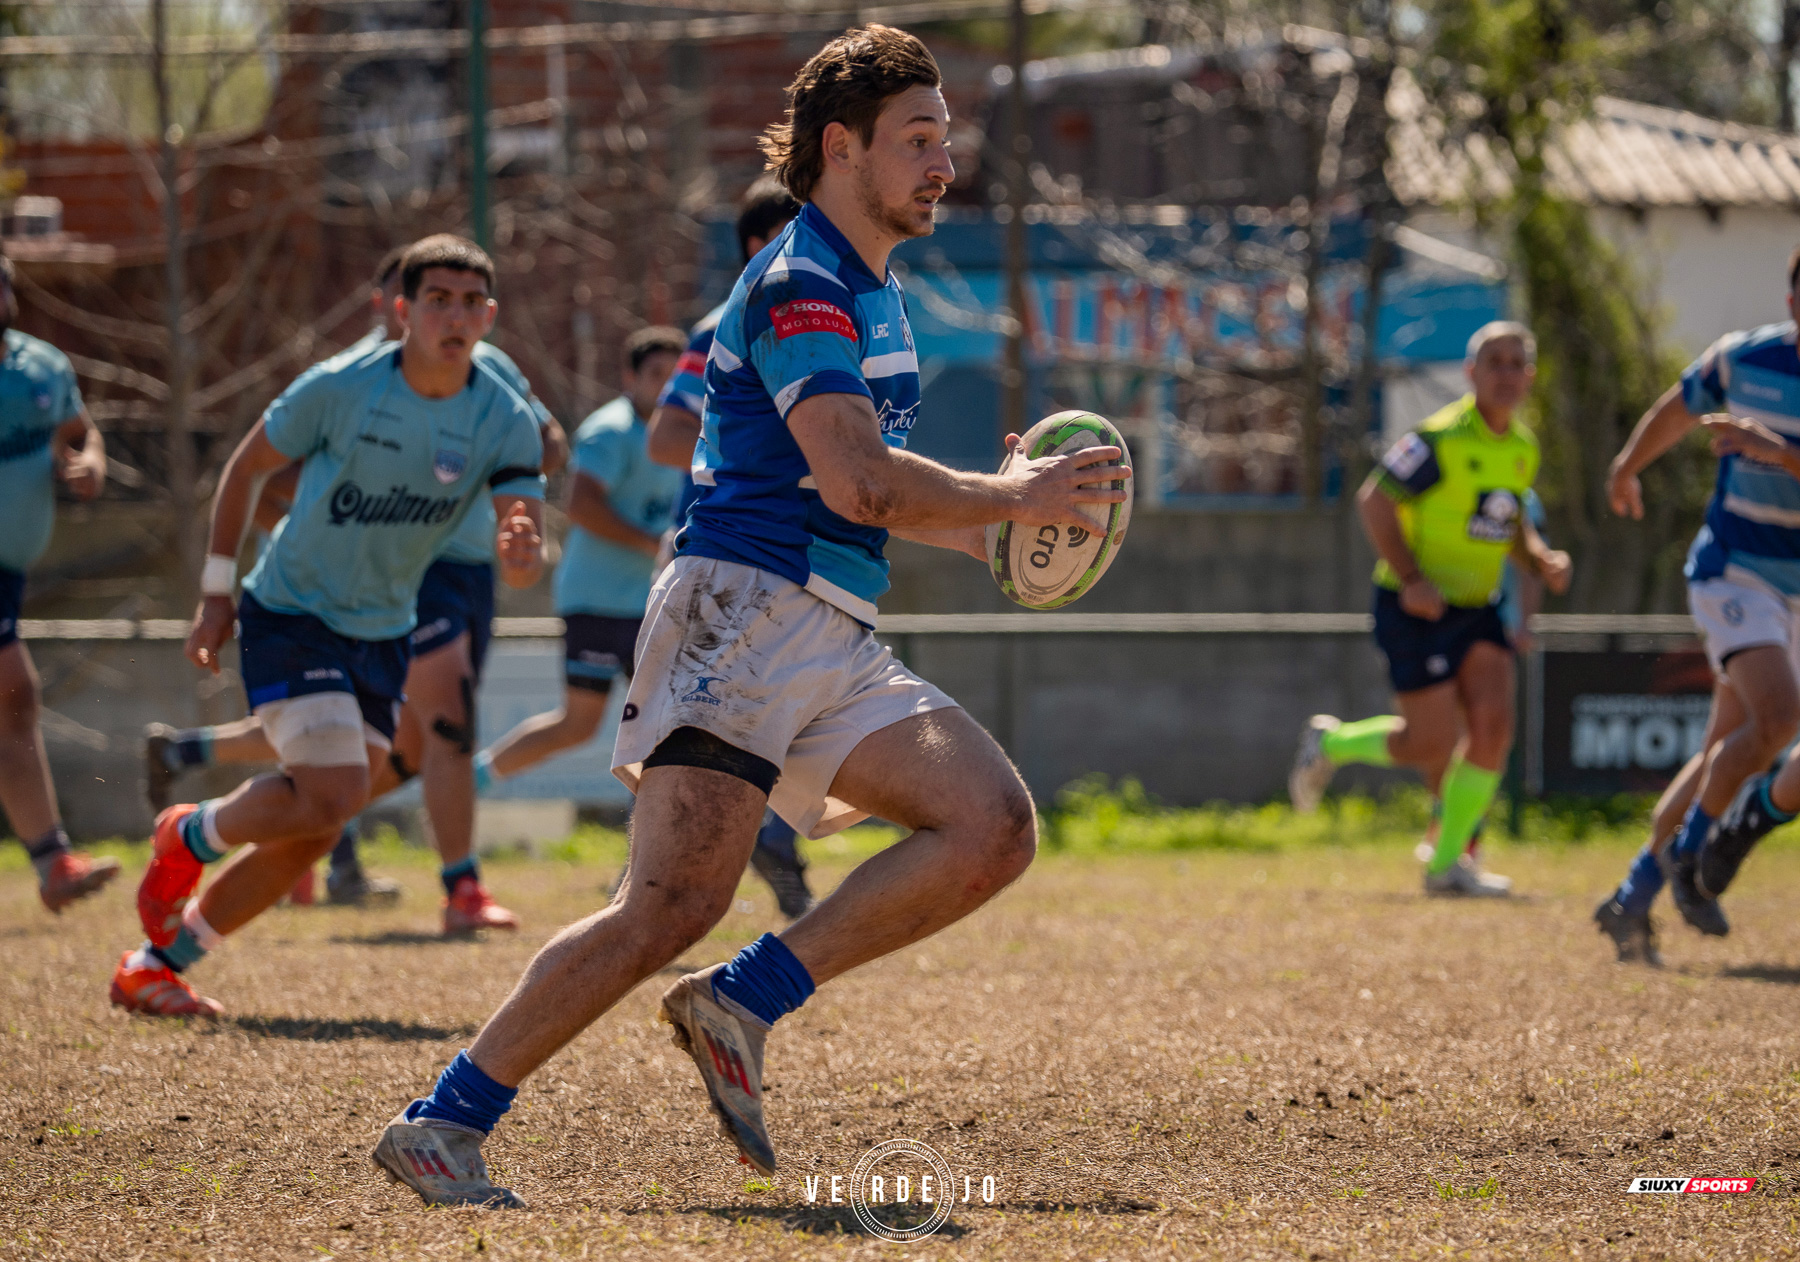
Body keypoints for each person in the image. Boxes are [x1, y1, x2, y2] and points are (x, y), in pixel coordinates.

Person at [370, 26, 1127, 1208]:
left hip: (825, 624)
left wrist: (998, 529)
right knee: (667, 904)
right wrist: (1011, 491)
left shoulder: (874, 289)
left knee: (991, 825)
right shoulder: (800, 284)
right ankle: (441, 1123)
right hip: (740, 617)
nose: (944, 163)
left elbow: (866, 498)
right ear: (842, 148)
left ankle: (744, 997)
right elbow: (856, 479)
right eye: (918, 140)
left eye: (946, 139)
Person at [110, 235, 546, 1017]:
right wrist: (216, 594)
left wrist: (521, 551)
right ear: (403, 311)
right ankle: (188, 833)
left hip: (383, 629)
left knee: (320, 820)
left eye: (470, 302)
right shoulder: (342, 388)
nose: (454, 316)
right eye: (437, 299)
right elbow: (245, 469)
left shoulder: (505, 418)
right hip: (291, 610)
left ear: (489, 316)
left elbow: (520, 555)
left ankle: (156, 964)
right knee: (337, 788)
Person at [1288, 322, 1572, 897]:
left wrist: (1539, 556)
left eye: (1517, 363)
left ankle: (1447, 864)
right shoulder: (1439, 438)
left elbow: (1505, 522)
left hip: (1478, 608)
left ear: (1531, 377)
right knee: (1430, 745)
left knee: (1493, 731)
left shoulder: (1522, 448)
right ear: (1471, 374)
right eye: (1494, 361)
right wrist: (1414, 579)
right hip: (1413, 607)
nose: (1506, 373)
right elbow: (1374, 499)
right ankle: (1333, 744)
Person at [1593, 254, 1800, 953]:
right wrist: (1626, 466)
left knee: (1728, 750)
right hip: (1735, 574)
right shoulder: (1745, 358)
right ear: (1791, 301)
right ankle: (1695, 858)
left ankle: (1633, 894)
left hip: (1796, 590)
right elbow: (1678, 409)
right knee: (1778, 720)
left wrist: (1786, 454)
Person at [646, 176, 814, 920]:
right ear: (758, 243)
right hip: (719, 558)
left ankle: (770, 834)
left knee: (773, 710)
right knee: (700, 720)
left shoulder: (823, 317)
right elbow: (666, 434)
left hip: (791, 557)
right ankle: (660, 870)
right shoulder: (725, 323)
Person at [469, 326, 684, 797]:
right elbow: (581, 505)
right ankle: (468, 782)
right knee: (584, 726)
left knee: (670, 727)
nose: (667, 386)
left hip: (649, 603)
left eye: (678, 375)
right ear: (630, 377)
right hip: (601, 601)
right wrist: (657, 546)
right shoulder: (611, 431)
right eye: (655, 374)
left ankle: (658, 845)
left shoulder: (685, 432)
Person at [0, 255, 119, 913]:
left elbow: (79, 433)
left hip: (11, 573)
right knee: (15, 693)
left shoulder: (42, 369)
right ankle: (52, 860)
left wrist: (90, 463)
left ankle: (52, 864)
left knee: (13, 705)